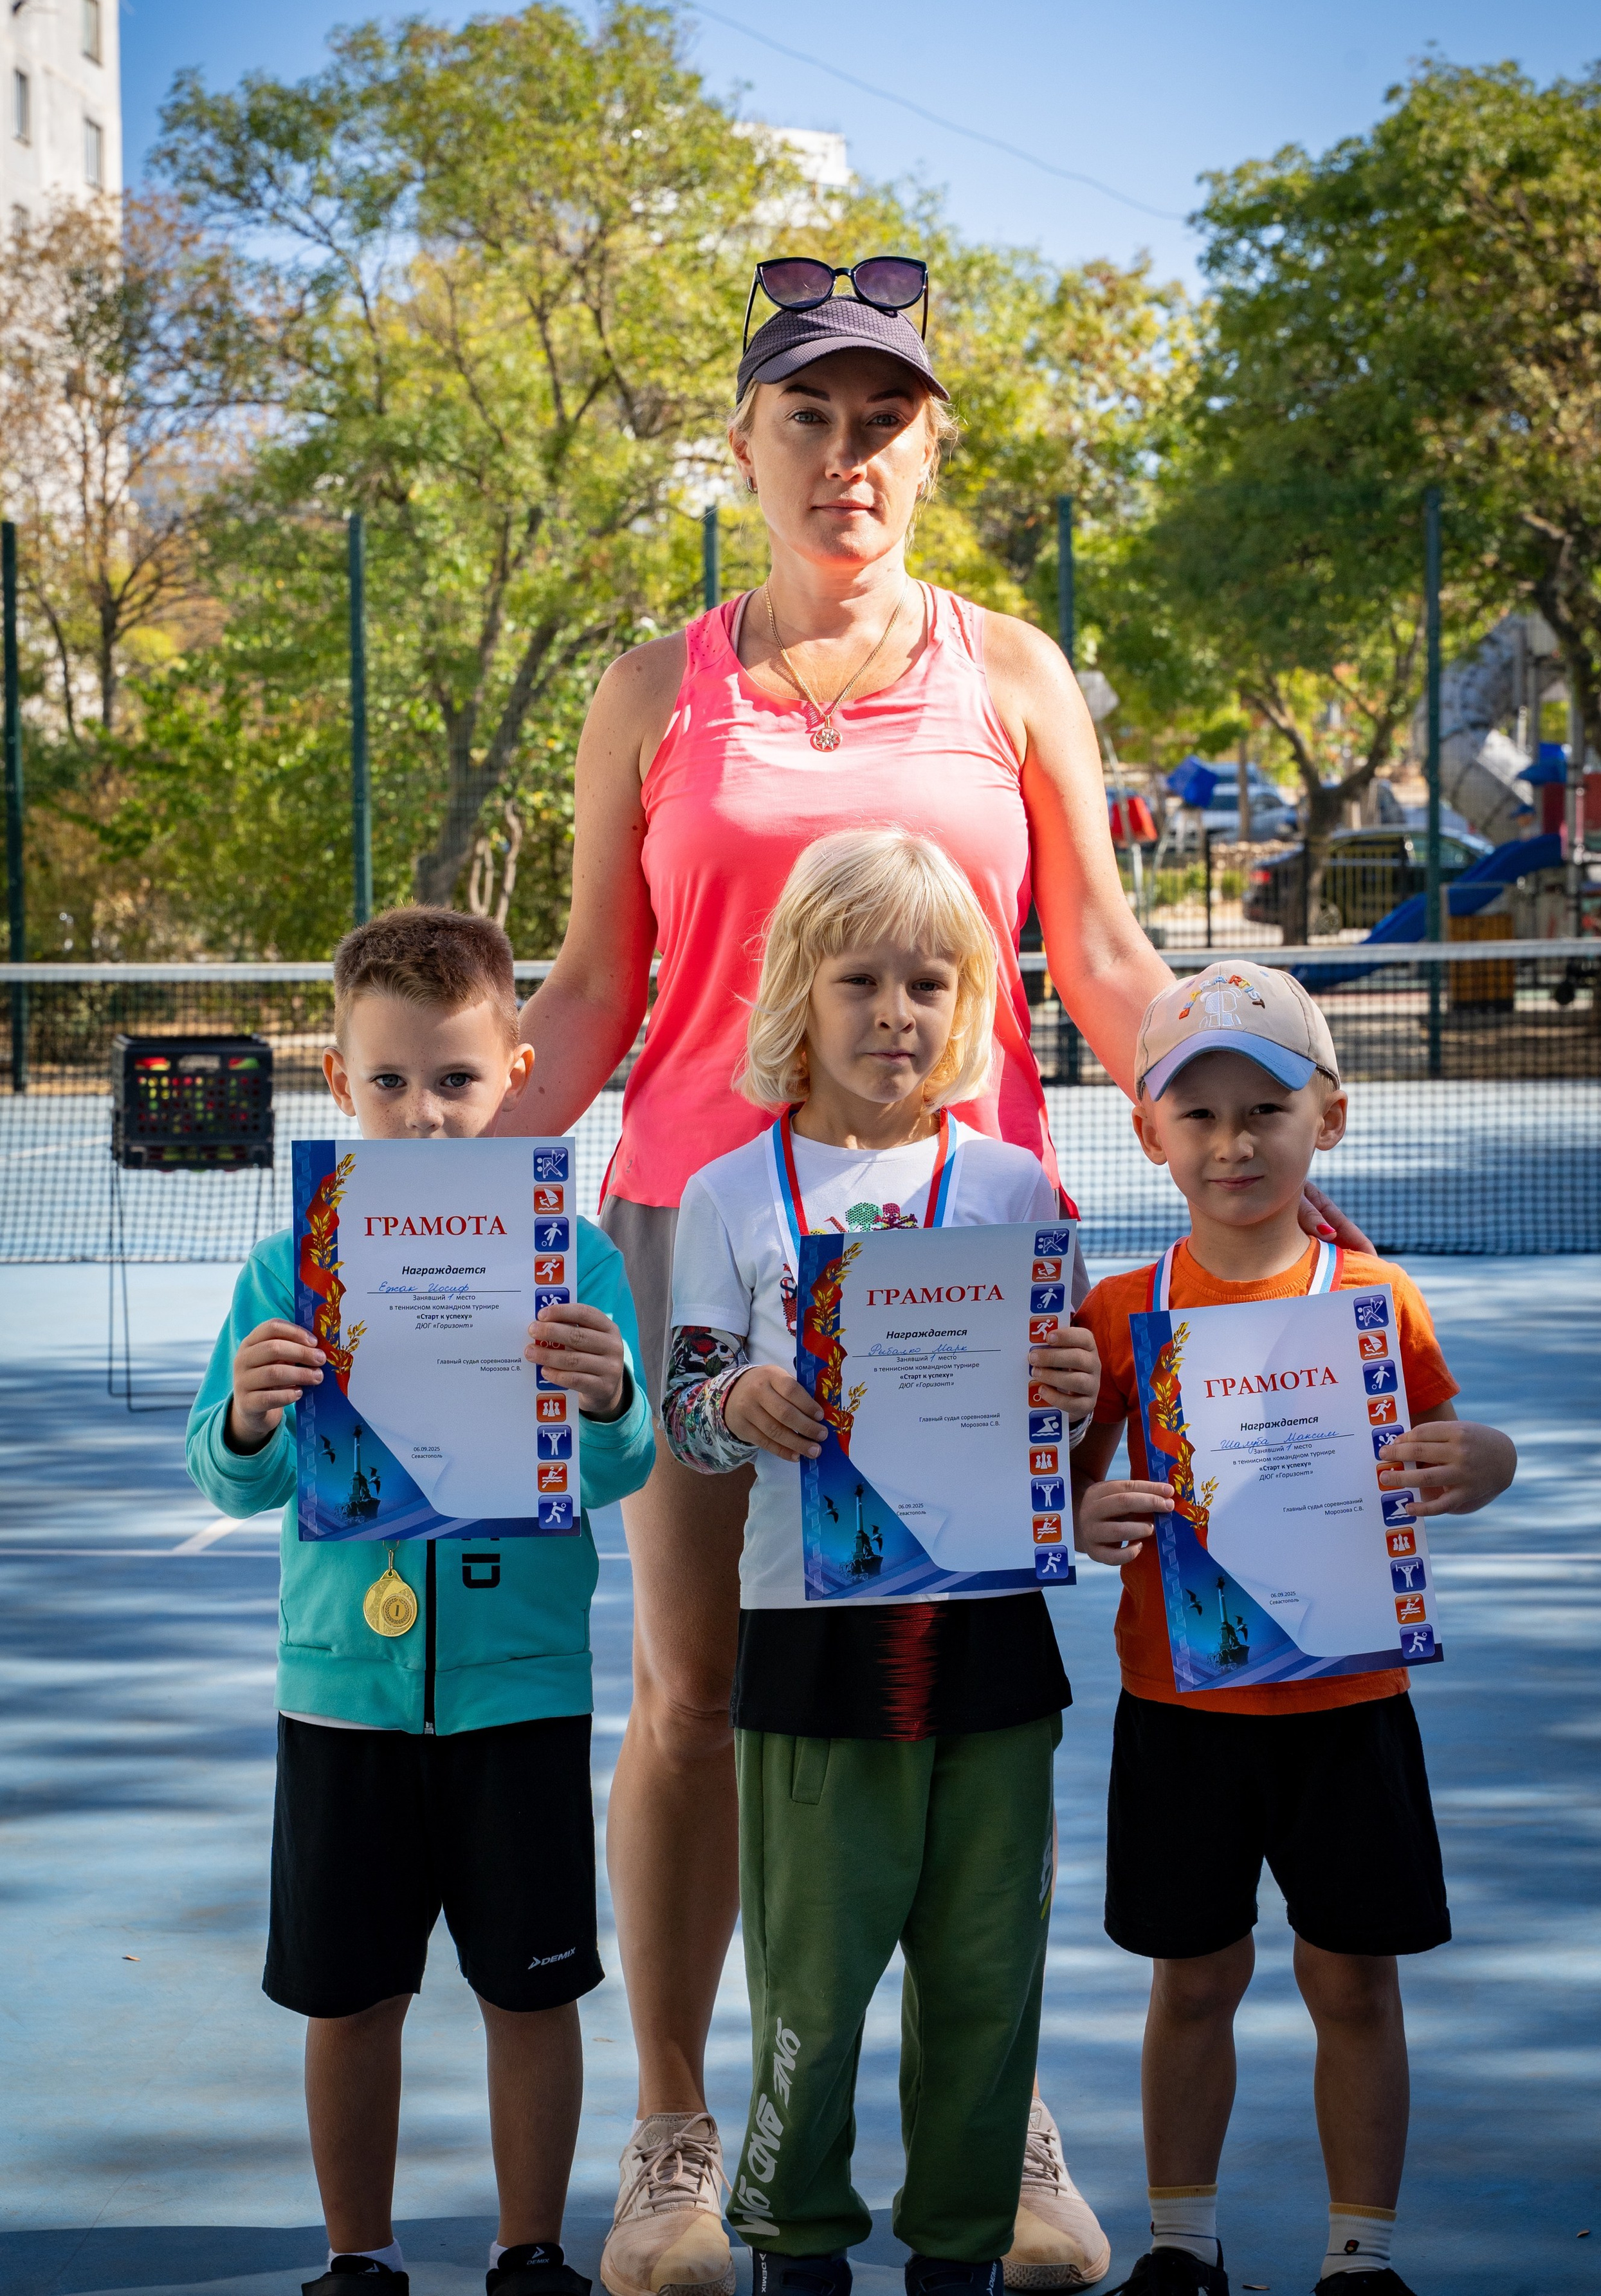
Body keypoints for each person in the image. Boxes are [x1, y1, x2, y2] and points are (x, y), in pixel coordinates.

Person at [515, 266, 1366, 2296]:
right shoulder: (655, 688)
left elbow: (1102, 955)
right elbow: (593, 991)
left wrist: (1258, 1115)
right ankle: (673, 2135)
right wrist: (416, 1187)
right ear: (745, 449)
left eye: (883, 417)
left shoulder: (1012, 673)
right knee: (700, 1697)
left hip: (964, 1265)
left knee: (971, 1684)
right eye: (807, 418)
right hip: (694, 1227)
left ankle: (1006, 2121)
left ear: (931, 446)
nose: (847, 455)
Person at [184, 910, 656, 2296]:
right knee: (351, 1996)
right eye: (389, 1082)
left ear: (515, 1071)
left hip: (519, 1689)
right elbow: (225, 1477)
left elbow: (620, 1464)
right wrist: (256, 1421)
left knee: (532, 1989)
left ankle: (529, 2252)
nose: (426, 1112)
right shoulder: (286, 1272)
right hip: (343, 1695)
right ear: (339, 1085)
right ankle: (359, 2256)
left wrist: (612, 1390)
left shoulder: (578, 1261)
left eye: (453, 1080)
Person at [661, 829, 1104, 2296]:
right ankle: (793, 2240)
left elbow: (1078, 1398)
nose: (893, 1013)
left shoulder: (1015, 1189)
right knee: (815, 1985)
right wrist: (732, 1405)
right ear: (797, 985)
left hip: (989, 1643)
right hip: (812, 1647)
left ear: (970, 997)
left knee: (985, 1981)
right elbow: (683, 1407)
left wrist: (1070, 1382)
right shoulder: (730, 1194)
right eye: (858, 978)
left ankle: (961, 2246)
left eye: (927, 980)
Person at [1070, 962, 1517, 2296]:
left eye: (1260, 1110)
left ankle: (1356, 2258)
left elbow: (1446, 1441)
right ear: (1150, 1134)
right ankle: (1177, 2247)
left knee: (1352, 1982)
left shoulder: (1373, 1300)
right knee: (1190, 1981)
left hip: (1348, 1713)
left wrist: (1479, 1459)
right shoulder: (1114, 1316)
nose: (1229, 1143)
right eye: (1194, 1116)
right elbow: (1070, 1489)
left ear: (1327, 1116)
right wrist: (1088, 1512)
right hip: (1179, 1714)